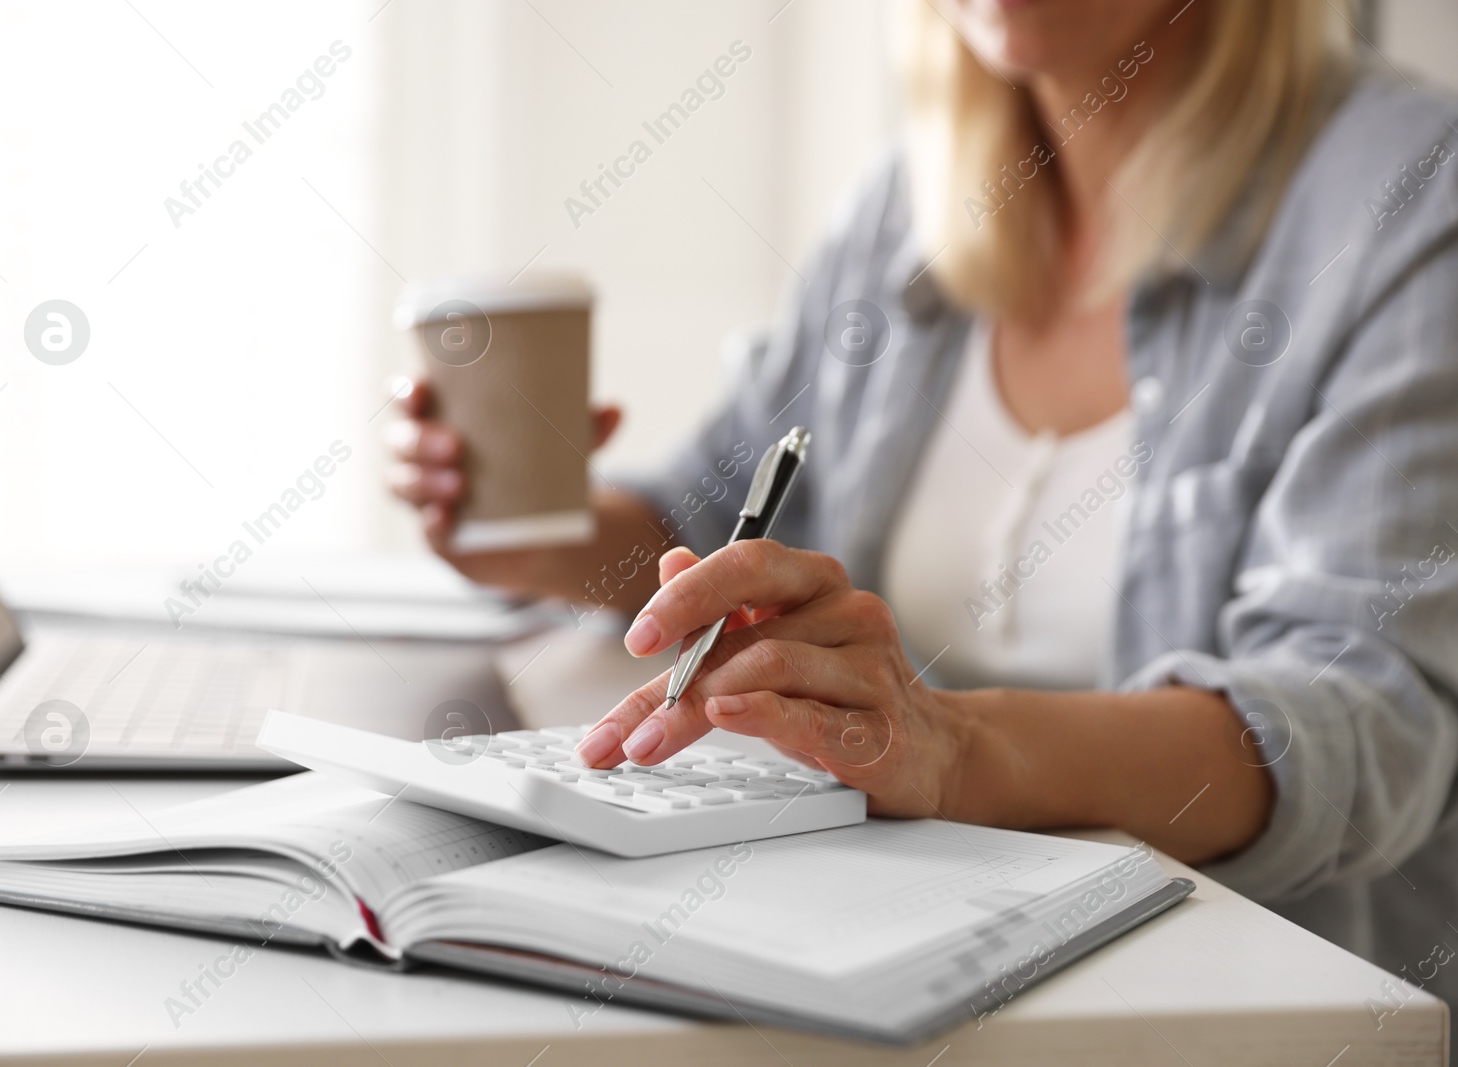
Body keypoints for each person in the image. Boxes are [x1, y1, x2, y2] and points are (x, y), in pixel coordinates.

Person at [389, 0, 1458, 1025]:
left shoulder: (1409, 193)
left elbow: (1364, 721)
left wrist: (951, 746)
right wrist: (544, 540)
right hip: (898, 952)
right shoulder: (909, 200)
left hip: (1244, 992)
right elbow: (718, 510)